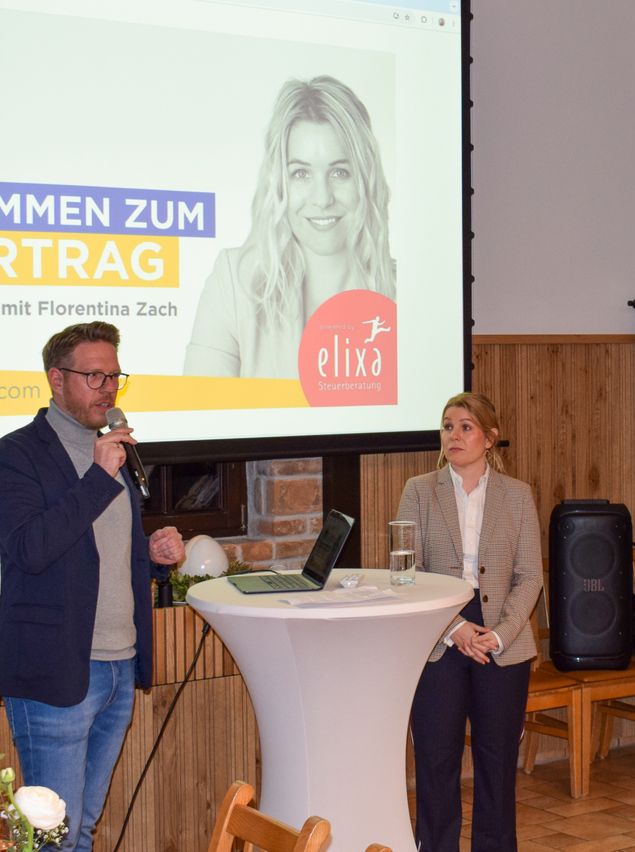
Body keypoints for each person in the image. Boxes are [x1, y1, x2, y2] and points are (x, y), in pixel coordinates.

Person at [0, 321, 185, 851]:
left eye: (114, 376)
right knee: (51, 836)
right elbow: (31, 549)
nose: (108, 388)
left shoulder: (113, 453)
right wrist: (99, 478)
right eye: (95, 376)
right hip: (56, 669)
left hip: (117, 665)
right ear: (56, 379)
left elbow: (98, 548)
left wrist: (150, 555)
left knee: (81, 828)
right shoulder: (17, 454)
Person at [396, 392, 543, 852]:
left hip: (503, 635)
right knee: (436, 759)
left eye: (465, 427)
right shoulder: (418, 490)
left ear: (489, 438)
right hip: (438, 637)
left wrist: (499, 634)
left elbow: (530, 576)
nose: (454, 435)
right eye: (447, 426)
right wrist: (452, 626)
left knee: (496, 761)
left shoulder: (518, 495)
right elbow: (406, 572)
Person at [184, 74, 395, 378]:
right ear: (278, 184)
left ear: (365, 179)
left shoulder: (403, 292)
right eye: (301, 174)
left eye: (339, 173)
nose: (322, 198)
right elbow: (200, 405)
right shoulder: (234, 281)